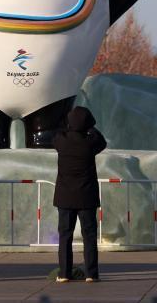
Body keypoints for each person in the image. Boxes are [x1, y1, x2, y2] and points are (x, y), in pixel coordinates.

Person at [53, 106, 107, 283]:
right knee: (89, 236)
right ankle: (91, 273)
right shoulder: (90, 143)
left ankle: (64, 273)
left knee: (65, 236)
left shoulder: (62, 141)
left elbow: (57, 132)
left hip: (65, 197)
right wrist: (90, 127)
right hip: (86, 196)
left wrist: (69, 125)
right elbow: (102, 141)